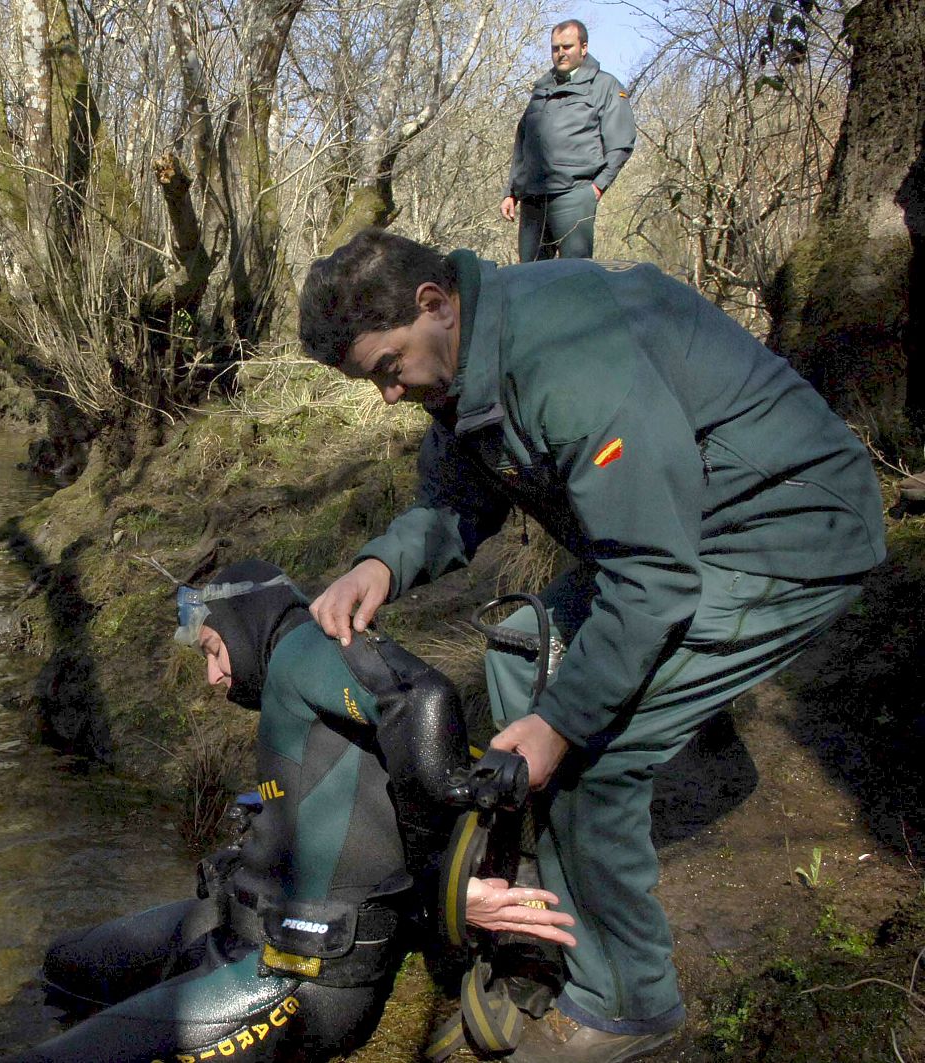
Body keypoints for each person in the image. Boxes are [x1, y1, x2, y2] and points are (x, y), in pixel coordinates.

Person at [298, 228, 885, 1062]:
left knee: (594, 749)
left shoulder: (568, 355)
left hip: (784, 535)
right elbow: (454, 501)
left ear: (432, 305)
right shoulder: (464, 364)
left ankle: (628, 1006)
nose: (388, 395)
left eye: (388, 368)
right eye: (373, 381)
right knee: (514, 651)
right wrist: (380, 566)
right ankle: (553, 913)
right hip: (676, 531)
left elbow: (652, 576)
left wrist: (561, 725)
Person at [19, 560, 576, 1063]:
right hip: (237, 927)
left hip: (300, 977)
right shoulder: (300, 681)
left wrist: (451, 873)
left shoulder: (303, 649)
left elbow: (422, 697)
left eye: (212, 651)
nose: (213, 678)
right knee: (64, 966)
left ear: (246, 621)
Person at [499, 19, 635, 262]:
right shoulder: (541, 90)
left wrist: (596, 188)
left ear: (583, 47)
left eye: (567, 47)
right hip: (533, 199)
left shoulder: (604, 85)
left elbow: (621, 143)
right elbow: (523, 142)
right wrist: (512, 192)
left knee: (574, 278)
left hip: (574, 195)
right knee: (528, 280)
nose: (560, 53)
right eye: (555, 48)